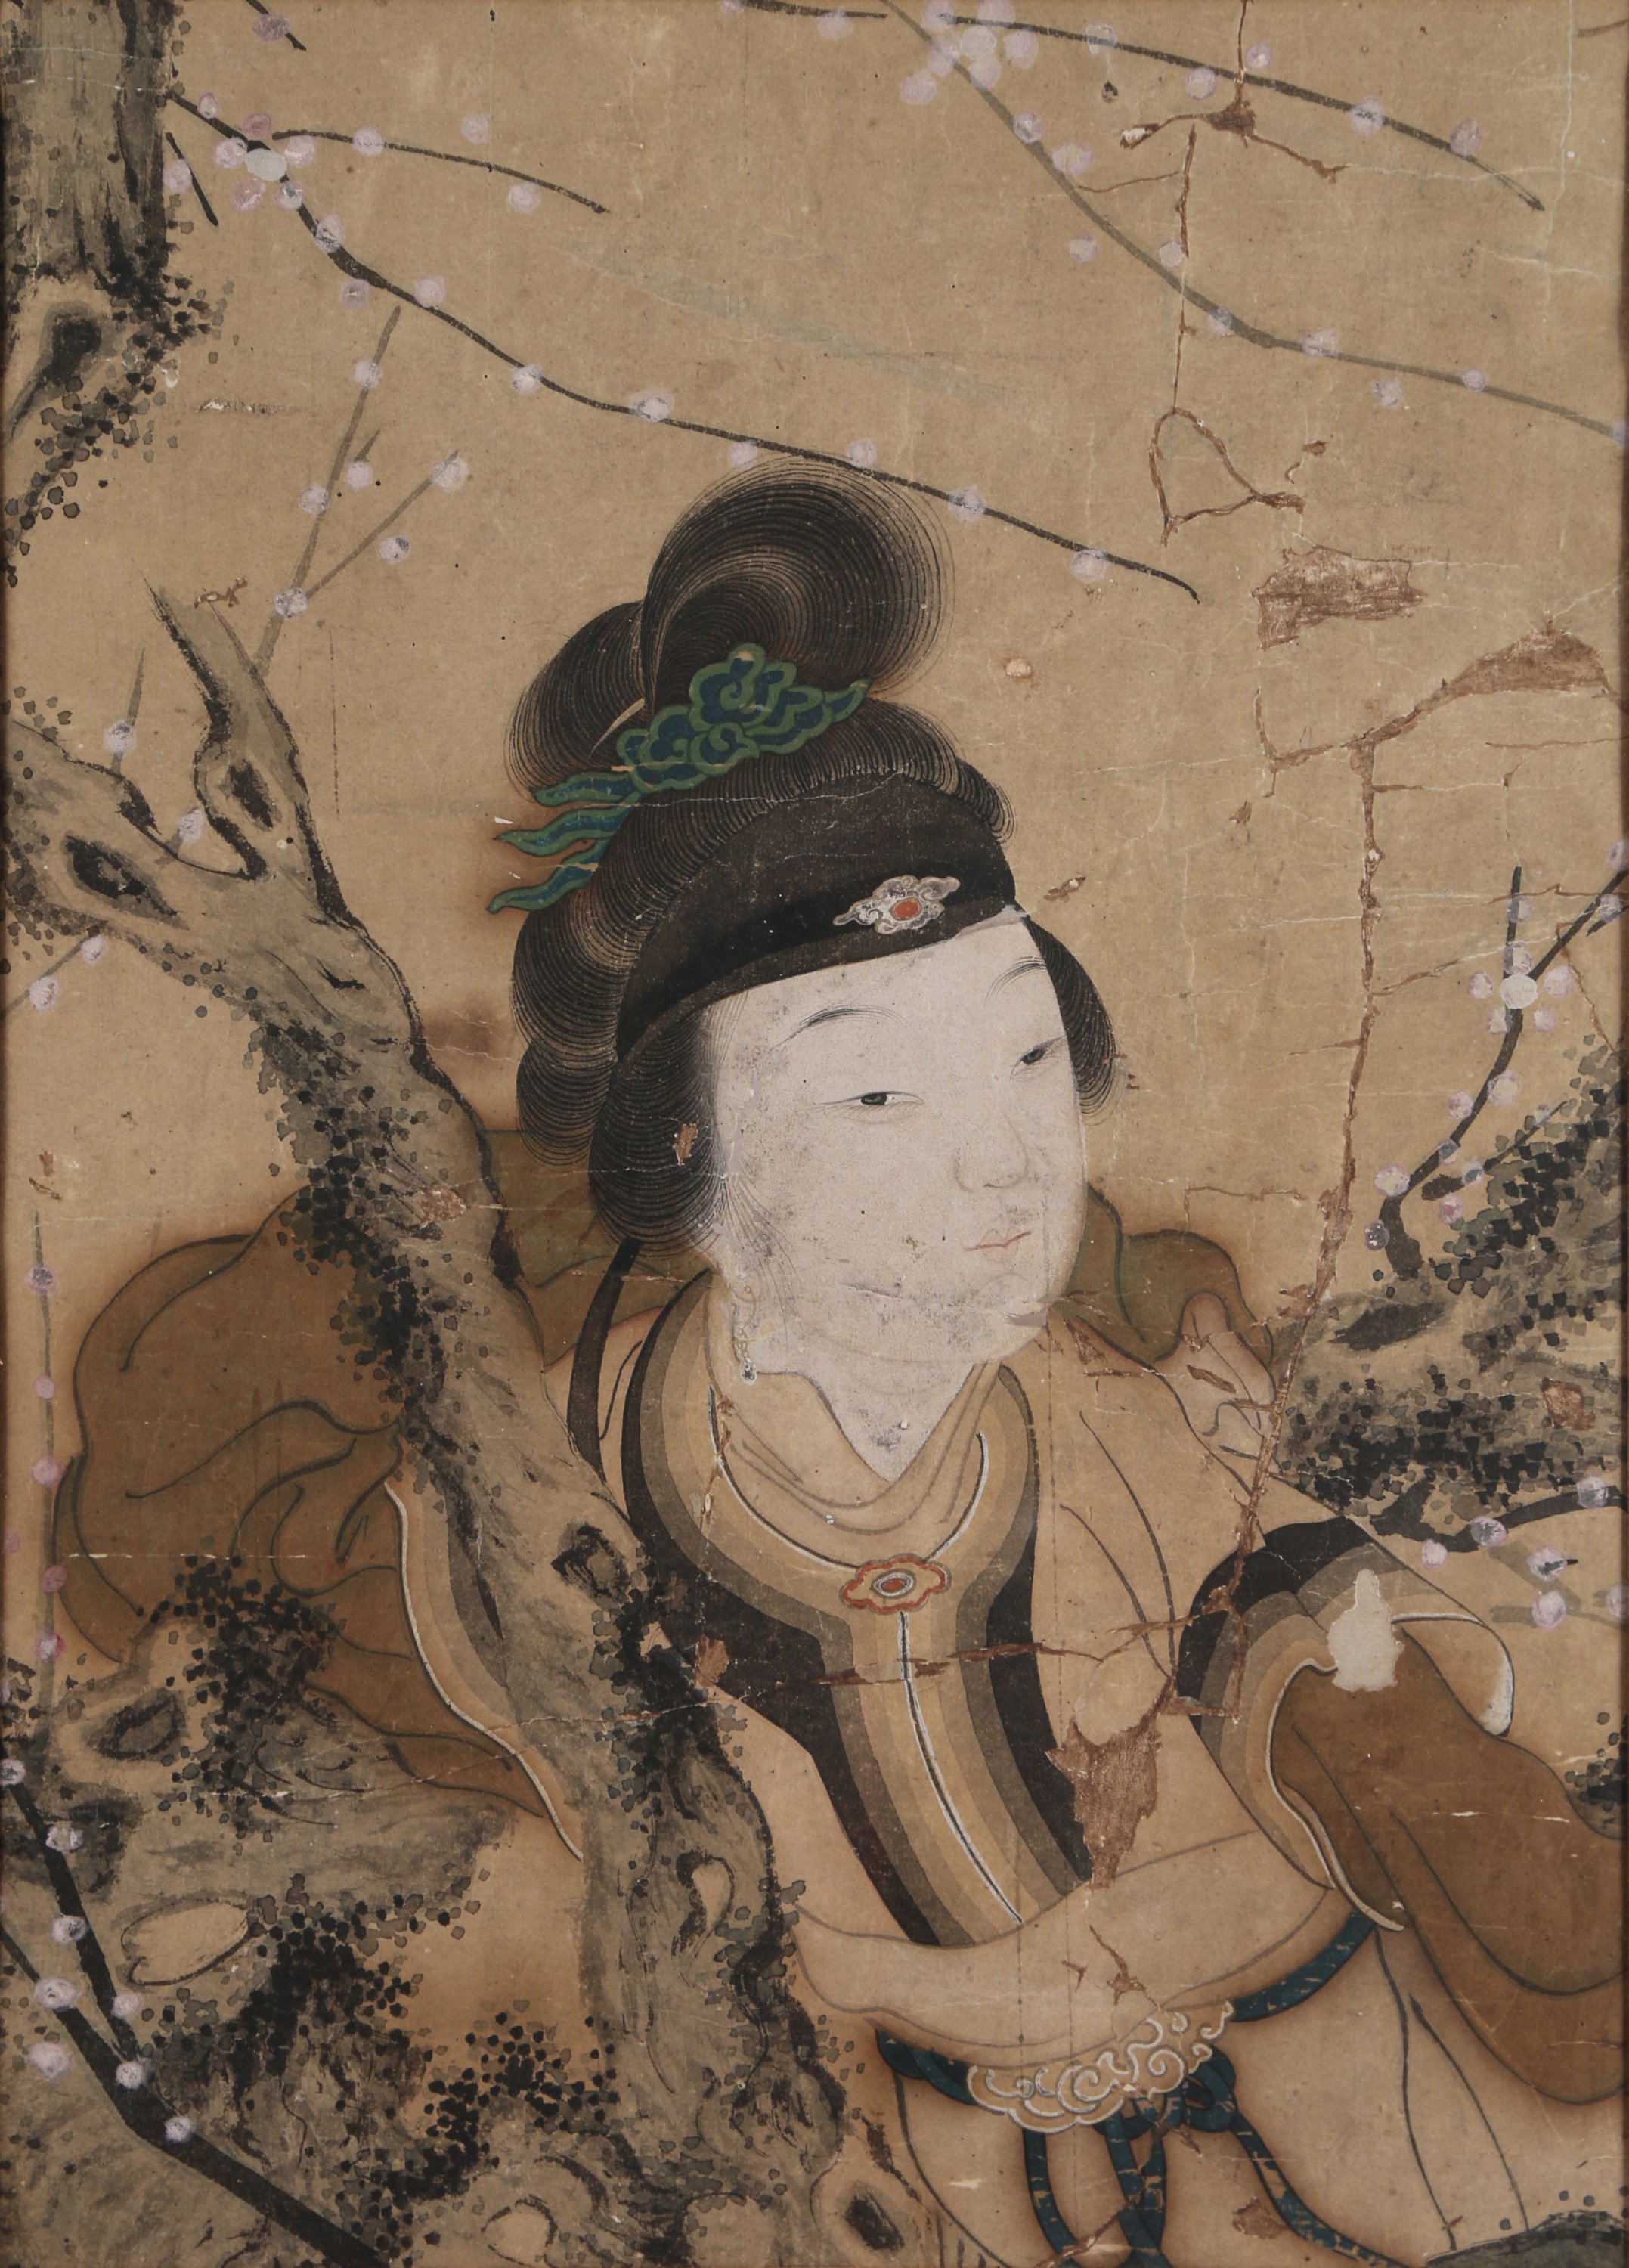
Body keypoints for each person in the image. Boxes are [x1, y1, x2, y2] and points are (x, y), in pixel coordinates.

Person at [58, 466, 1621, 2267]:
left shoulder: (1137, 1423)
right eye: (878, 1089)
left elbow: (1455, 1850)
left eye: (1027, 1060)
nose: (1001, 1160)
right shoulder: (547, 1507)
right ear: (688, 1156)